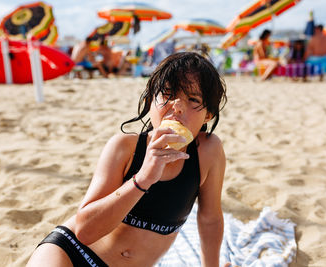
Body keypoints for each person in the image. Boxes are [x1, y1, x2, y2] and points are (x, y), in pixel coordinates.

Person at [26, 52, 227, 267]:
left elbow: (210, 220)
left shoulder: (207, 152)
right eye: (167, 93)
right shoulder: (124, 148)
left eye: (193, 99)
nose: (177, 106)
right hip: (72, 253)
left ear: (208, 115)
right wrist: (143, 178)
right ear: (150, 101)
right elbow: (84, 231)